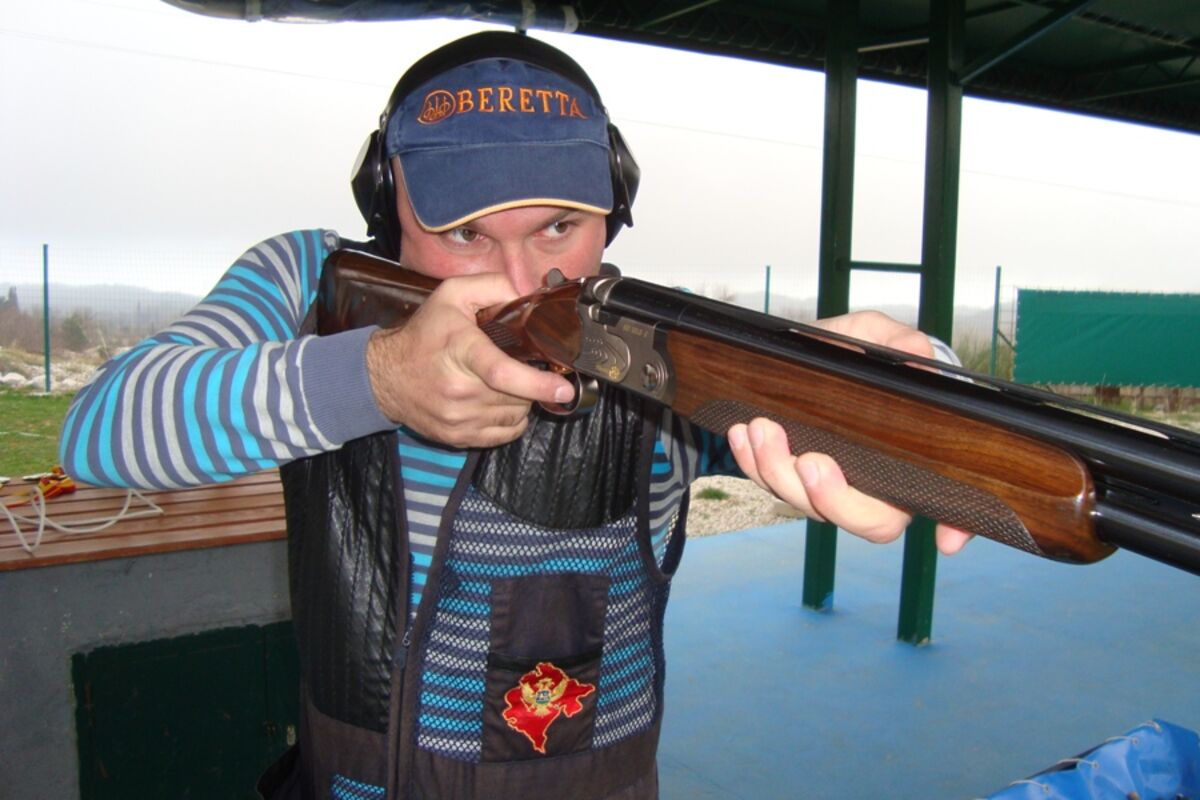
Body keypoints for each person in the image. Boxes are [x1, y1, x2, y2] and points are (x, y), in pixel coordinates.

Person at [60, 30, 969, 800]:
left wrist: (920, 390)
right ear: (386, 203)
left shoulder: (650, 344)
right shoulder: (308, 284)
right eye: (465, 235)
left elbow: (874, 369)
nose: (520, 281)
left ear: (614, 208)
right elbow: (101, 432)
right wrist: (374, 378)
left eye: (559, 228)